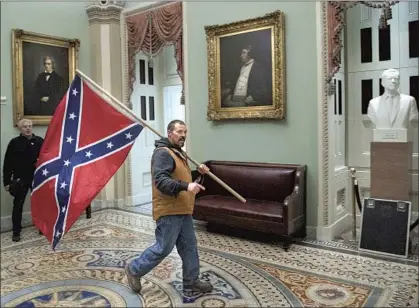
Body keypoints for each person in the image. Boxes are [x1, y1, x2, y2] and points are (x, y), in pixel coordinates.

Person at [124, 120, 213, 294]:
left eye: (185, 132)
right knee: (164, 247)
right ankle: (134, 269)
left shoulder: (178, 153)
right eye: (179, 131)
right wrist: (186, 187)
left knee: (189, 246)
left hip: (183, 209)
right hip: (169, 210)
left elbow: (182, 178)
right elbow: (162, 181)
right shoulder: (163, 154)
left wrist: (198, 175)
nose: (183, 135)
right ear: (169, 133)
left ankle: (191, 281)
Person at [3, 119, 44, 242]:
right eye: (25, 126)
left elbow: (47, 157)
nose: (28, 128)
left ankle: (42, 227)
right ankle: (16, 231)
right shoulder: (14, 143)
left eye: (30, 126)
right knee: (18, 205)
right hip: (20, 178)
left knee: (40, 203)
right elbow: (7, 164)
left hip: (37, 177)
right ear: (20, 128)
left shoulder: (39, 141)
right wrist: (7, 182)